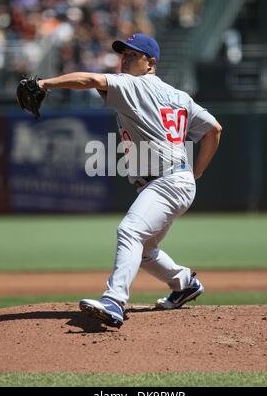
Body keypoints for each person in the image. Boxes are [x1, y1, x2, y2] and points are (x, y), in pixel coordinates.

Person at [37, 33, 222, 328]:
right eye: (123, 54)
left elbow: (90, 80)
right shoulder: (180, 96)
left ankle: (114, 300)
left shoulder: (132, 85)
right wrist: (196, 173)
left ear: (150, 63)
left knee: (129, 230)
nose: (125, 59)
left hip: (166, 181)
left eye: (133, 55)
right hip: (175, 180)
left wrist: (43, 83)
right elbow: (214, 130)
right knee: (145, 249)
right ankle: (184, 283)